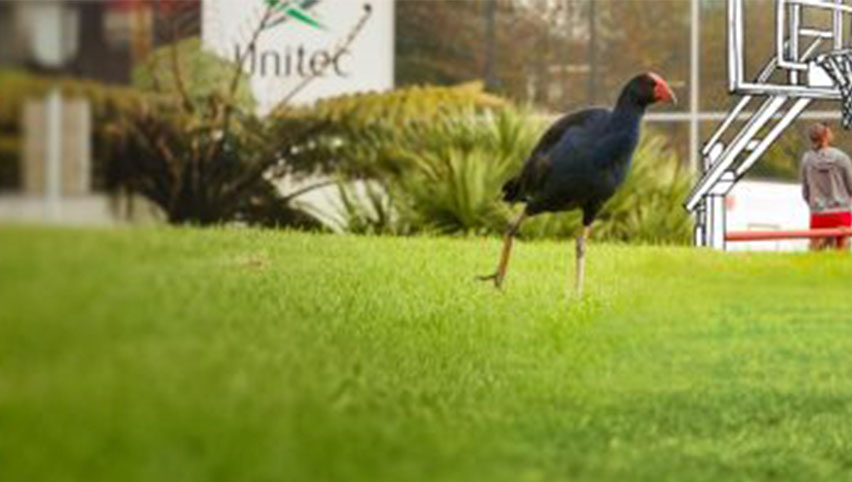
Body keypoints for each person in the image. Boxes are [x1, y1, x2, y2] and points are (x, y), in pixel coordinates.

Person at [800, 122, 852, 250]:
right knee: (842, 252)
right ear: (826, 136)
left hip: (818, 214)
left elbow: (805, 192)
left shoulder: (807, 159)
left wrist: (814, 204)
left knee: (815, 252)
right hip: (841, 213)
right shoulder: (842, 158)